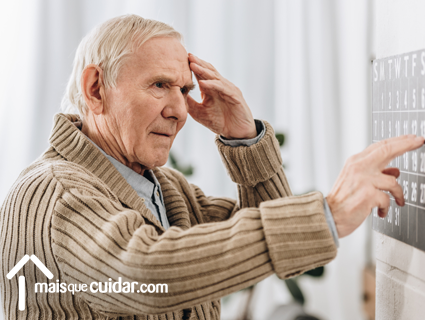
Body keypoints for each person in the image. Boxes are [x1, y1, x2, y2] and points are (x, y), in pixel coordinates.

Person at [0, 14, 422, 320]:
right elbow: (145, 271)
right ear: (95, 89)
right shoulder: (51, 192)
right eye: (160, 85)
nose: (180, 111)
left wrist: (244, 139)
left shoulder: (166, 189)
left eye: (184, 89)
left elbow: (281, 252)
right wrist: (327, 212)